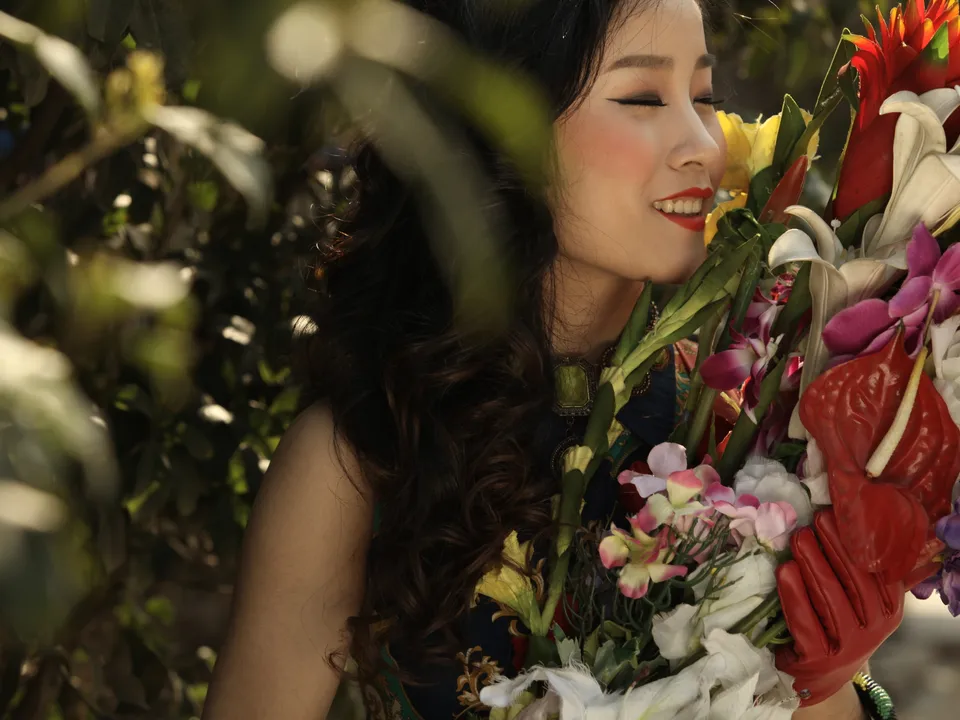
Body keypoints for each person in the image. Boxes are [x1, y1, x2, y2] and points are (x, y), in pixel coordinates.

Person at [202, 1, 902, 719]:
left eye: (704, 96)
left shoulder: (741, 427)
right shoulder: (363, 457)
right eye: (642, 98)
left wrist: (827, 677)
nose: (704, 144)